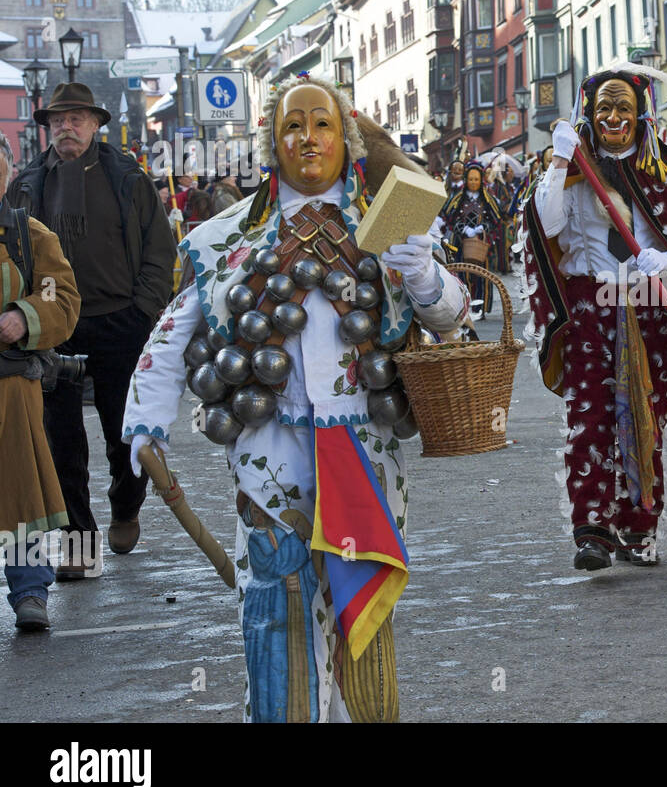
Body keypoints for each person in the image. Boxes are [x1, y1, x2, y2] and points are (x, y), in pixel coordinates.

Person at [121, 74, 469, 722]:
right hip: (272, 454)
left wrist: (421, 271)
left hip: (365, 449)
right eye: (292, 125)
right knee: (277, 604)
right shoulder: (227, 239)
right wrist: (146, 421)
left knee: (358, 603)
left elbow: (452, 317)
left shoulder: (392, 221)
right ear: (272, 143)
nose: (307, 137)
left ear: (347, 138)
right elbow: (174, 330)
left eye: (322, 124)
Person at [521, 67, 667, 569]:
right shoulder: (571, 171)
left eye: (623, 108)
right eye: (603, 109)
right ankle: (592, 528)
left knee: (645, 420)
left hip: (649, 307)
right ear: (588, 118)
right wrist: (558, 159)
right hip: (588, 307)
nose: (614, 117)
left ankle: (640, 527)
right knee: (589, 418)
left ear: (641, 115)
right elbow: (546, 224)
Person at [5, 83, 176, 578]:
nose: (67, 127)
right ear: (48, 129)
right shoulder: (29, 183)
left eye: (77, 118)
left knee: (125, 436)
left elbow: (160, 252)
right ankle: (79, 543)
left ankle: (125, 505)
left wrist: (143, 310)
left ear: (96, 125)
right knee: (61, 441)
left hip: (119, 321)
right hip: (54, 326)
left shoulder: (127, 178)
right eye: (58, 120)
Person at [0, 133, 82, 630]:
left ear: (8, 172)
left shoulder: (30, 237)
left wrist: (23, 316)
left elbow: (62, 300)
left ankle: (30, 590)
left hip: (12, 388)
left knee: (21, 492)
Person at [434, 162, 504, 318]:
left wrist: (482, 228)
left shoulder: (487, 199)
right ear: (466, 180)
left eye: (476, 179)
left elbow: (496, 220)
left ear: (481, 181)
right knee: (463, 275)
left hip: (481, 246)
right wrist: (463, 229)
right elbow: (449, 218)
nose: (473, 182)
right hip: (461, 244)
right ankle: (465, 306)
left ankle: (480, 309)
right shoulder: (458, 198)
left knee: (481, 276)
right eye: (471, 179)